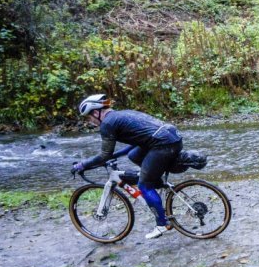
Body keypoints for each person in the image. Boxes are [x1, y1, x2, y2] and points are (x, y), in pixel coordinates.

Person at [72, 94, 183, 239]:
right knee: (133, 155)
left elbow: (104, 155)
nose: (90, 121)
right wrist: (114, 156)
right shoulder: (122, 114)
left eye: (89, 117)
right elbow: (134, 144)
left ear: (95, 112)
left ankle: (162, 224)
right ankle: (156, 180)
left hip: (162, 145)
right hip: (172, 138)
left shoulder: (107, 124)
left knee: (144, 186)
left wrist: (82, 165)